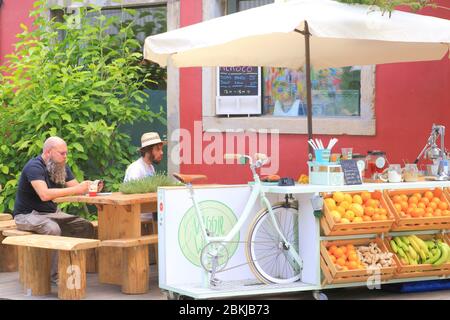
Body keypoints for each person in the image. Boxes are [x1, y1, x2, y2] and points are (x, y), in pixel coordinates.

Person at [13, 136, 97, 283]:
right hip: (27, 215)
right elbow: (44, 195)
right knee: (53, 229)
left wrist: (90, 187)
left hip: (51, 214)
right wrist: (77, 188)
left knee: (84, 226)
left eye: (66, 153)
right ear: (48, 152)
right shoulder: (34, 167)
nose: (66, 156)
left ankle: (70, 267)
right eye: (62, 153)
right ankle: (55, 275)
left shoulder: (61, 166)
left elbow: (77, 189)